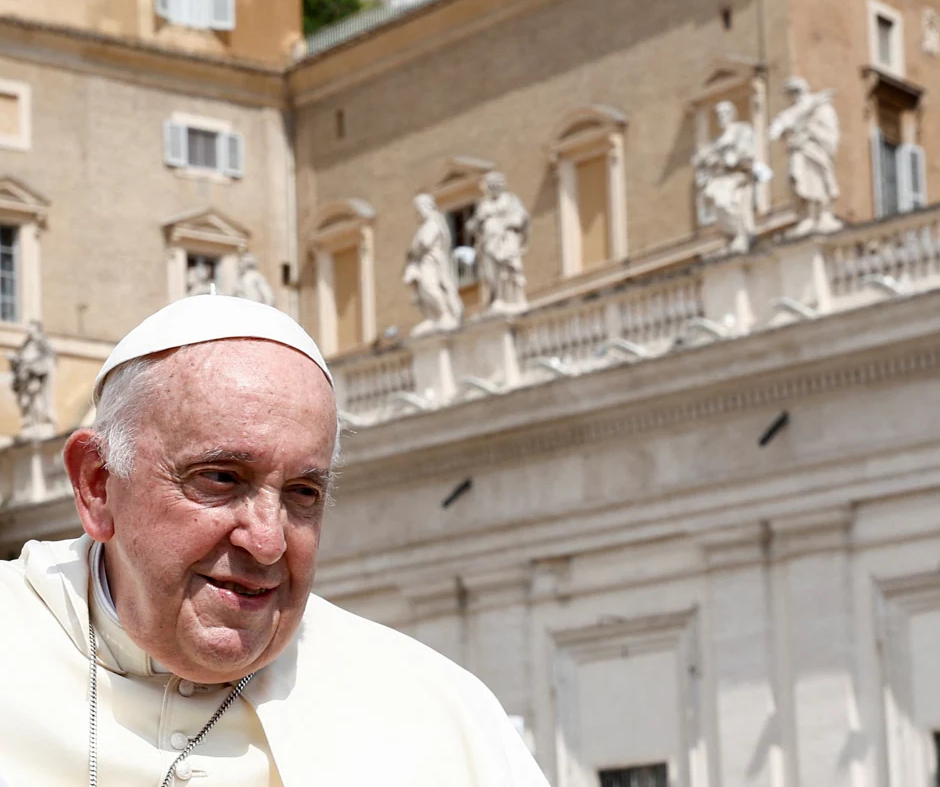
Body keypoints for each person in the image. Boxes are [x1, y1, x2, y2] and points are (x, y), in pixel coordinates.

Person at [0, 294, 550, 787]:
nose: (267, 542)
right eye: (220, 478)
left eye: (303, 492)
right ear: (97, 485)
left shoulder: (438, 711)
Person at [768, 77, 841, 235]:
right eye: (790, 93)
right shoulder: (791, 112)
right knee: (798, 180)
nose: (794, 96)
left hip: (814, 151)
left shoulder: (820, 106)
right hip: (798, 153)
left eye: (795, 91)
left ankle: (821, 214)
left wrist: (811, 132)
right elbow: (775, 129)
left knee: (817, 179)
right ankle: (807, 216)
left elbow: (830, 132)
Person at [692, 100, 758, 253]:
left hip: (736, 177)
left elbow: (743, 155)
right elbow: (703, 159)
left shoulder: (742, 130)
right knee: (714, 198)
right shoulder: (716, 141)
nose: (722, 117)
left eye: (725, 113)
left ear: (732, 114)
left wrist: (724, 159)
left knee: (725, 202)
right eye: (718, 114)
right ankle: (732, 236)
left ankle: (740, 235)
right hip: (721, 179)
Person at [467, 172, 530, 314]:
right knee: (491, 273)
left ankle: (509, 299)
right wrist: (476, 223)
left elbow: (520, 219)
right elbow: (473, 225)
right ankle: (498, 298)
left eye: (490, 186)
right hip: (489, 244)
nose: (488, 190)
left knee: (507, 270)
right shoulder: (485, 205)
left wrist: (503, 223)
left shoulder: (510, 200)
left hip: (506, 242)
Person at [404, 193, 464, 335]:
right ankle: (433, 316)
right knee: (424, 290)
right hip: (424, 263)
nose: (418, 213)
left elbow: (425, 242)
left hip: (432, 262)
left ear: (427, 207)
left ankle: (444, 314)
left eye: (419, 209)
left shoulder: (434, 222)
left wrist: (414, 248)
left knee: (430, 287)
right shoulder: (425, 225)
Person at [9, 319, 55, 436]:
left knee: (37, 401)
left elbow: (47, 363)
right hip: (26, 383)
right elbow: (21, 363)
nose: (28, 330)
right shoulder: (26, 346)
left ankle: (39, 424)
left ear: (37, 329)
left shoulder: (43, 345)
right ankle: (31, 424)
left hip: (36, 381)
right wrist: (16, 361)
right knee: (27, 402)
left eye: (31, 328)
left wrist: (31, 366)